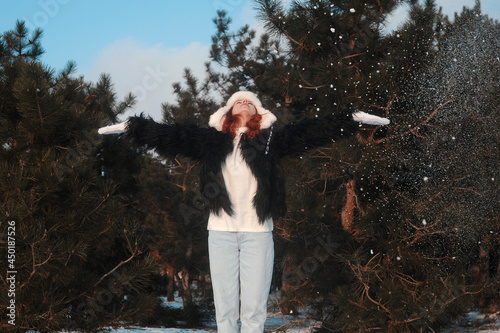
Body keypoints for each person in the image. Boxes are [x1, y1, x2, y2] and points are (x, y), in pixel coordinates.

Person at [98, 91, 389, 333]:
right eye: (239, 100)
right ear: (228, 110)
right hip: (221, 233)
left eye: (250, 101)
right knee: (225, 309)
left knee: (253, 310)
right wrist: (133, 127)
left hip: (258, 233)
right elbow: (170, 135)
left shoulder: (271, 140)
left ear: (258, 113)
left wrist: (350, 119)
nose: (245, 101)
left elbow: (310, 131)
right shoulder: (209, 140)